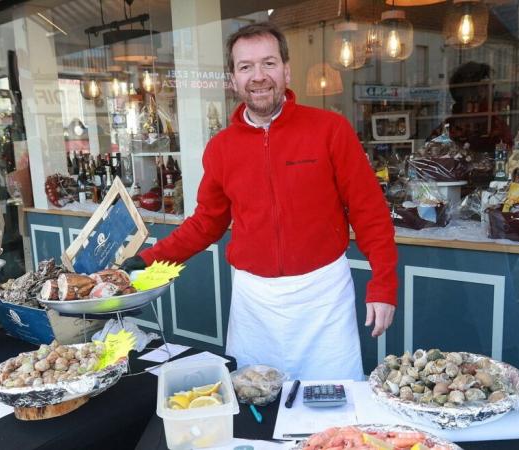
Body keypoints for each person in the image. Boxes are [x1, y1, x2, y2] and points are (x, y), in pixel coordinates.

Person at [122, 22, 398, 381]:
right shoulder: (221, 148)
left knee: (333, 406)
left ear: (286, 69)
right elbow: (207, 222)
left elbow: (370, 213)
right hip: (254, 303)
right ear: (233, 79)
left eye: (268, 63)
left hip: (323, 296)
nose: (259, 76)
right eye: (245, 66)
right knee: (256, 404)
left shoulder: (330, 129)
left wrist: (384, 285)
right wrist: (145, 260)